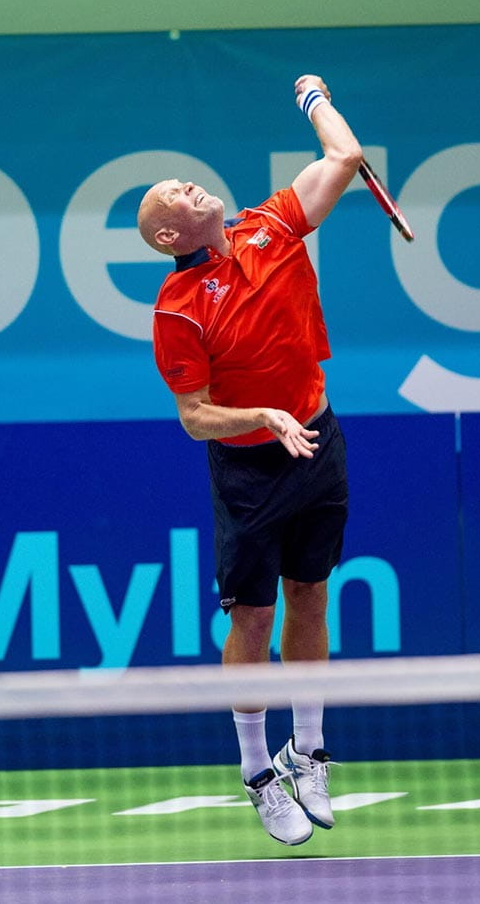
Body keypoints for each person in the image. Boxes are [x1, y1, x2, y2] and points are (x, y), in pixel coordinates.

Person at [137, 74, 362, 846]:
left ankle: (310, 750)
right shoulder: (177, 310)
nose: (189, 185)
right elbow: (194, 417)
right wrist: (260, 416)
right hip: (248, 472)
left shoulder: (272, 224)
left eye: (185, 180)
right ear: (169, 236)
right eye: (174, 194)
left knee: (311, 595)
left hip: (316, 439)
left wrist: (314, 100)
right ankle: (258, 771)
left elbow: (345, 156)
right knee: (255, 614)